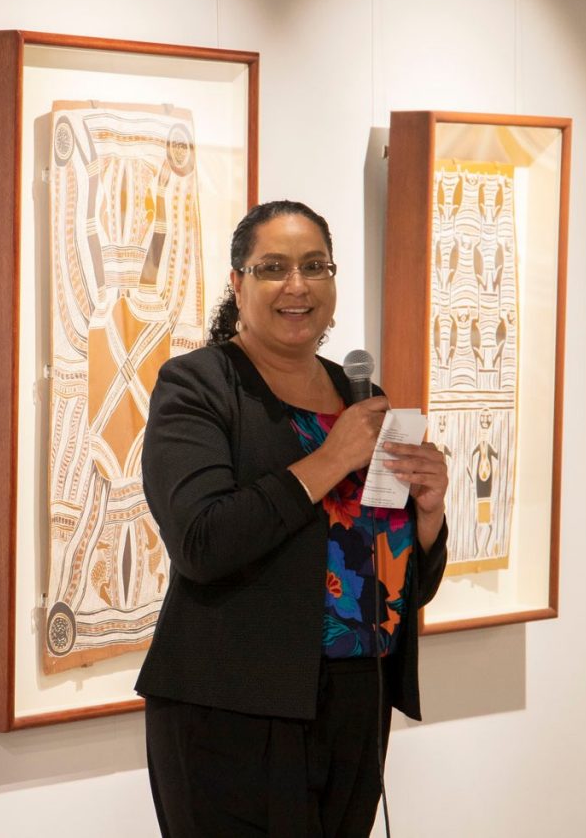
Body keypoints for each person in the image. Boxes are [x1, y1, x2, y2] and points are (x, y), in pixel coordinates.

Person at [136, 200, 450, 837]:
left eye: (315, 266)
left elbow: (390, 583)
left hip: (357, 699)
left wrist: (428, 515)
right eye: (273, 267)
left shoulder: (360, 397)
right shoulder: (197, 386)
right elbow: (201, 542)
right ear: (238, 283)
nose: (297, 285)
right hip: (232, 707)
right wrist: (331, 460)